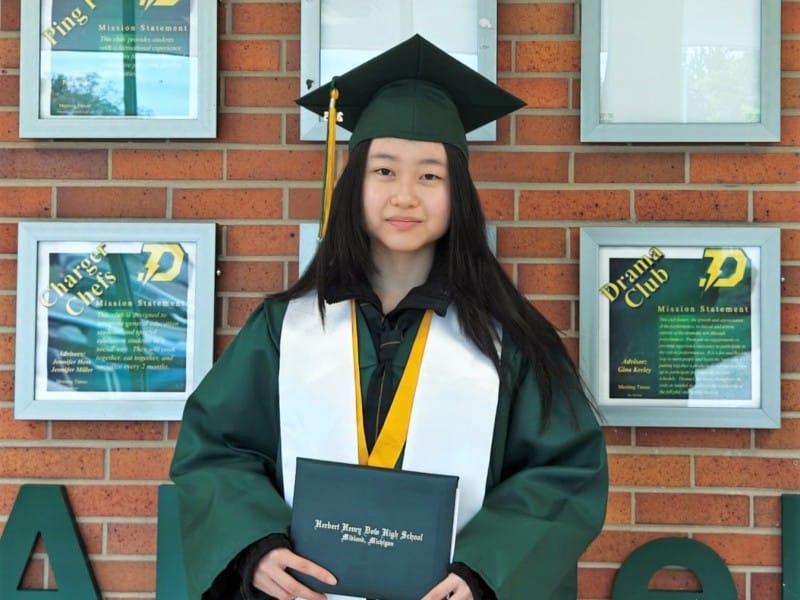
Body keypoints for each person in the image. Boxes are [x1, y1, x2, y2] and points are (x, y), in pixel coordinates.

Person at [170, 34, 608, 600]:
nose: (405, 196)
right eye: (383, 172)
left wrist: (482, 573)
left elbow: (564, 476)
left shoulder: (511, 340)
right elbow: (216, 449)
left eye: (430, 175)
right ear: (353, 185)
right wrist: (256, 547)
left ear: (459, 194)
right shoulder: (287, 327)